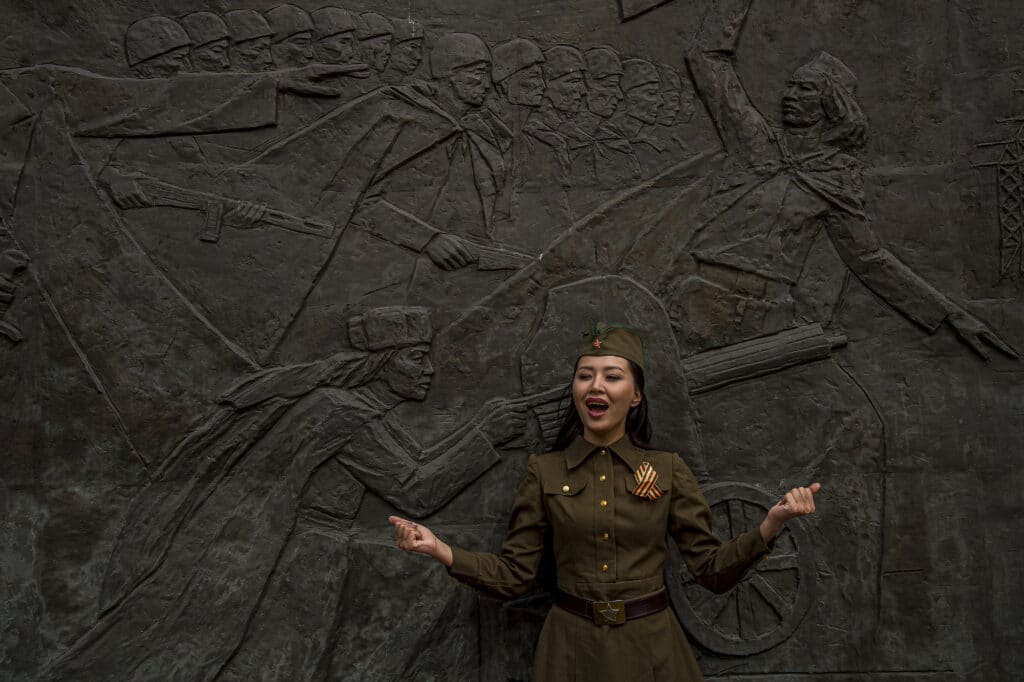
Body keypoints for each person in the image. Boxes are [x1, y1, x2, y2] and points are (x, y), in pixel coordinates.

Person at [41, 306, 528, 681]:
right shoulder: (343, 413)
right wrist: (485, 435)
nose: (430, 370)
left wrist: (477, 431)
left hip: (311, 556)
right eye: (417, 358)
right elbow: (415, 489)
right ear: (383, 364)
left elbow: (415, 465)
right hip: (304, 563)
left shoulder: (355, 409)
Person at [390, 324, 820, 680]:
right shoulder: (545, 472)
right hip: (569, 653)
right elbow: (515, 576)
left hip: (654, 652)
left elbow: (710, 572)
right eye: (585, 375)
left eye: (612, 375)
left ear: (635, 396)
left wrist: (771, 524)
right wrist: (440, 550)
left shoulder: (668, 470)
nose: (596, 385)